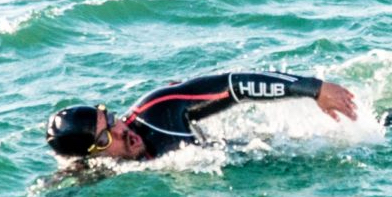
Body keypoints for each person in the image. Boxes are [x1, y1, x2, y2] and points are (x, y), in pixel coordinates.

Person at [46, 70, 360, 162]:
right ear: (90, 157)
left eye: (110, 119)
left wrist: (314, 89)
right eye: (104, 139)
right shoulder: (95, 174)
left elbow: (235, 85)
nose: (119, 131)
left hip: (267, 154)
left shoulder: (157, 110)